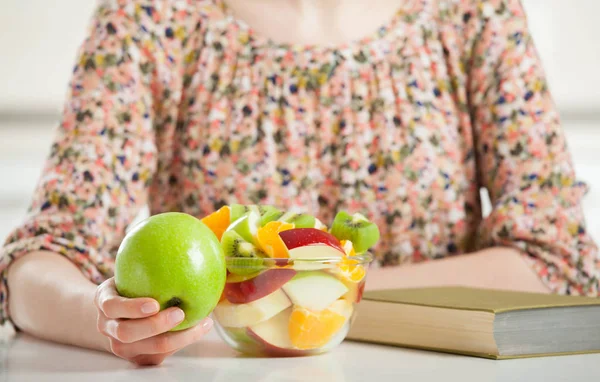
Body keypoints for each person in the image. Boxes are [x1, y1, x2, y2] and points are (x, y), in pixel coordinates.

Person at [1, 0, 598, 366]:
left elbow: (558, 261)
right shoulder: (150, 19)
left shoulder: (477, 13)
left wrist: (321, 288)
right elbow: (35, 263)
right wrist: (109, 319)